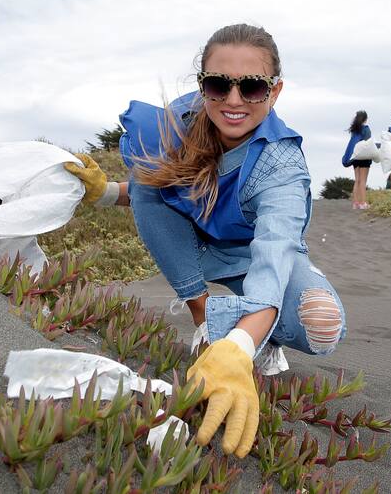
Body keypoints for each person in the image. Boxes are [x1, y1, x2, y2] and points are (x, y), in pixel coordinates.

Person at [65, 24, 346, 459]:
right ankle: (206, 323)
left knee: (322, 324)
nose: (233, 101)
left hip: (257, 260)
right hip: (200, 251)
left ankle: (248, 335)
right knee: (145, 173)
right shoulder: (177, 125)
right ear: (202, 85)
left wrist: (241, 347)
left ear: (275, 91)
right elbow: (155, 191)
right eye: (218, 85)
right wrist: (104, 192)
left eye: (252, 88)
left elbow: (273, 257)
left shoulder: (282, 165)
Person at [341, 110, 372, 209]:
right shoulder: (366, 129)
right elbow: (368, 143)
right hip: (364, 157)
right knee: (363, 181)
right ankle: (363, 203)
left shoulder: (355, 130)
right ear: (365, 119)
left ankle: (356, 203)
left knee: (357, 180)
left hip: (355, 157)